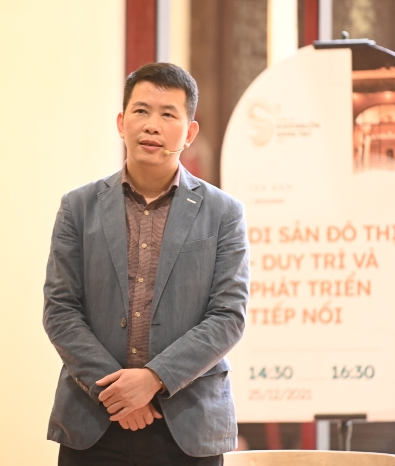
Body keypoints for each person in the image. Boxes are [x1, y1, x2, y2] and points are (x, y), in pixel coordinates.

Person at [43, 62, 250, 465]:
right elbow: (60, 310)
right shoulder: (78, 208)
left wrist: (154, 379)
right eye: (141, 111)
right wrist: (117, 394)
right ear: (122, 123)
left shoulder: (224, 213)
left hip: (188, 426)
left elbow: (228, 317)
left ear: (189, 133)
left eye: (168, 114)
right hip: (93, 423)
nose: (152, 126)